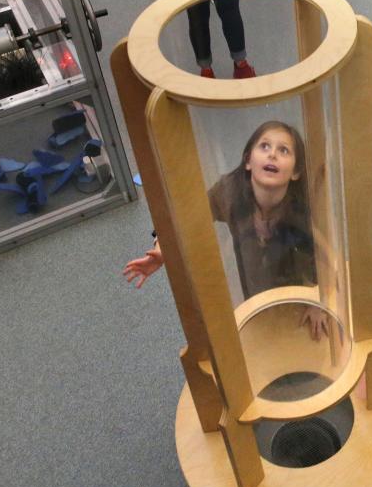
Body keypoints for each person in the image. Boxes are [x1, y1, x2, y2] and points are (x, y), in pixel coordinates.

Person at [123, 121, 327, 337]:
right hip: (250, 286)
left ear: (296, 171)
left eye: (283, 150)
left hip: (295, 291)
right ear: (248, 160)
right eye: (264, 146)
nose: (272, 155)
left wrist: (317, 300)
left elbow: (323, 258)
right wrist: (163, 250)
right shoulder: (230, 191)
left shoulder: (300, 207)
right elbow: (186, 217)